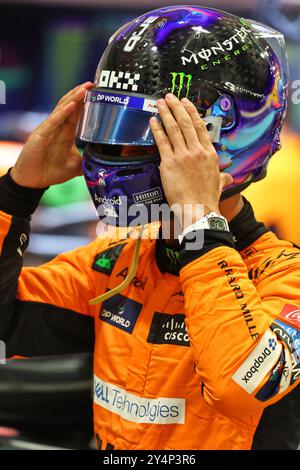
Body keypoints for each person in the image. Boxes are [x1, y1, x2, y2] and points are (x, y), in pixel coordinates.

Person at [0, 5, 299, 450]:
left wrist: (199, 222)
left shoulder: (285, 278)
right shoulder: (116, 261)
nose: (113, 156)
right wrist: (16, 194)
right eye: (108, 128)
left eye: (142, 133)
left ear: (218, 143)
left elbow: (245, 386)